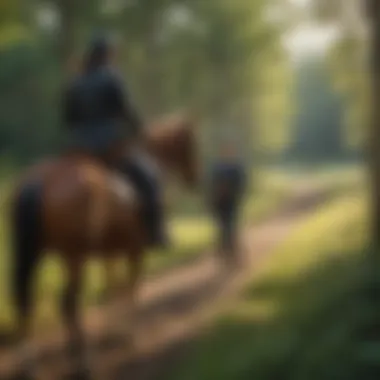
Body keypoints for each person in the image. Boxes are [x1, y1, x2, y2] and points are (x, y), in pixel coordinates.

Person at [62, 34, 168, 248]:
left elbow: (68, 118)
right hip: (109, 145)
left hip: (79, 147)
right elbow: (126, 110)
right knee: (149, 178)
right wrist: (140, 129)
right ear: (108, 54)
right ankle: (155, 233)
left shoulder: (76, 81)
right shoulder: (111, 77)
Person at [209, 142, 246, 256]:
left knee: (230, 225)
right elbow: (212, 184)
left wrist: (235, 194)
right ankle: (224, 249)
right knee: (222, 225)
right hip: (220, 201)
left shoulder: (235, 168)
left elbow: (241, 184)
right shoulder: (217, 168)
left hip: (231, 200)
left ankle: (232, 249)